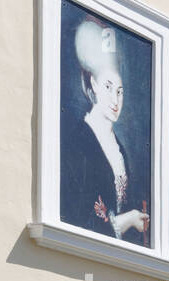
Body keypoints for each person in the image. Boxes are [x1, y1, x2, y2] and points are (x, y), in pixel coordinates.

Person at [60, 17, 150, 244]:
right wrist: (128, 220)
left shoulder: (118, 148)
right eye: (108, 87)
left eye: (120, 91)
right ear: (94, 85)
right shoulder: (78, 141)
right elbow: (79, 219)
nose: (115, 99)